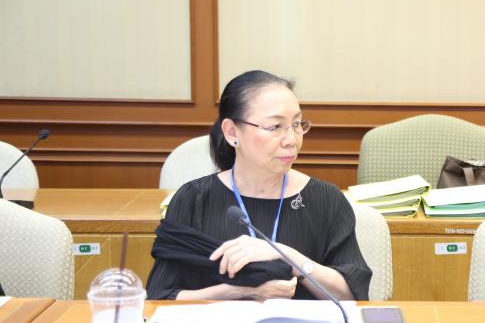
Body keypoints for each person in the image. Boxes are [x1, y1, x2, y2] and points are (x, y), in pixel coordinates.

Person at [147, 70, 371, 300]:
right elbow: (160, 298)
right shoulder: (194, 199)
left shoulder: (325, 199)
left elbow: (352, 297)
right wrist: (241, 291)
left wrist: (288, 257)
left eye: (297, 124)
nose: (291, 140)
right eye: (274, 127)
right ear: (232, 132)